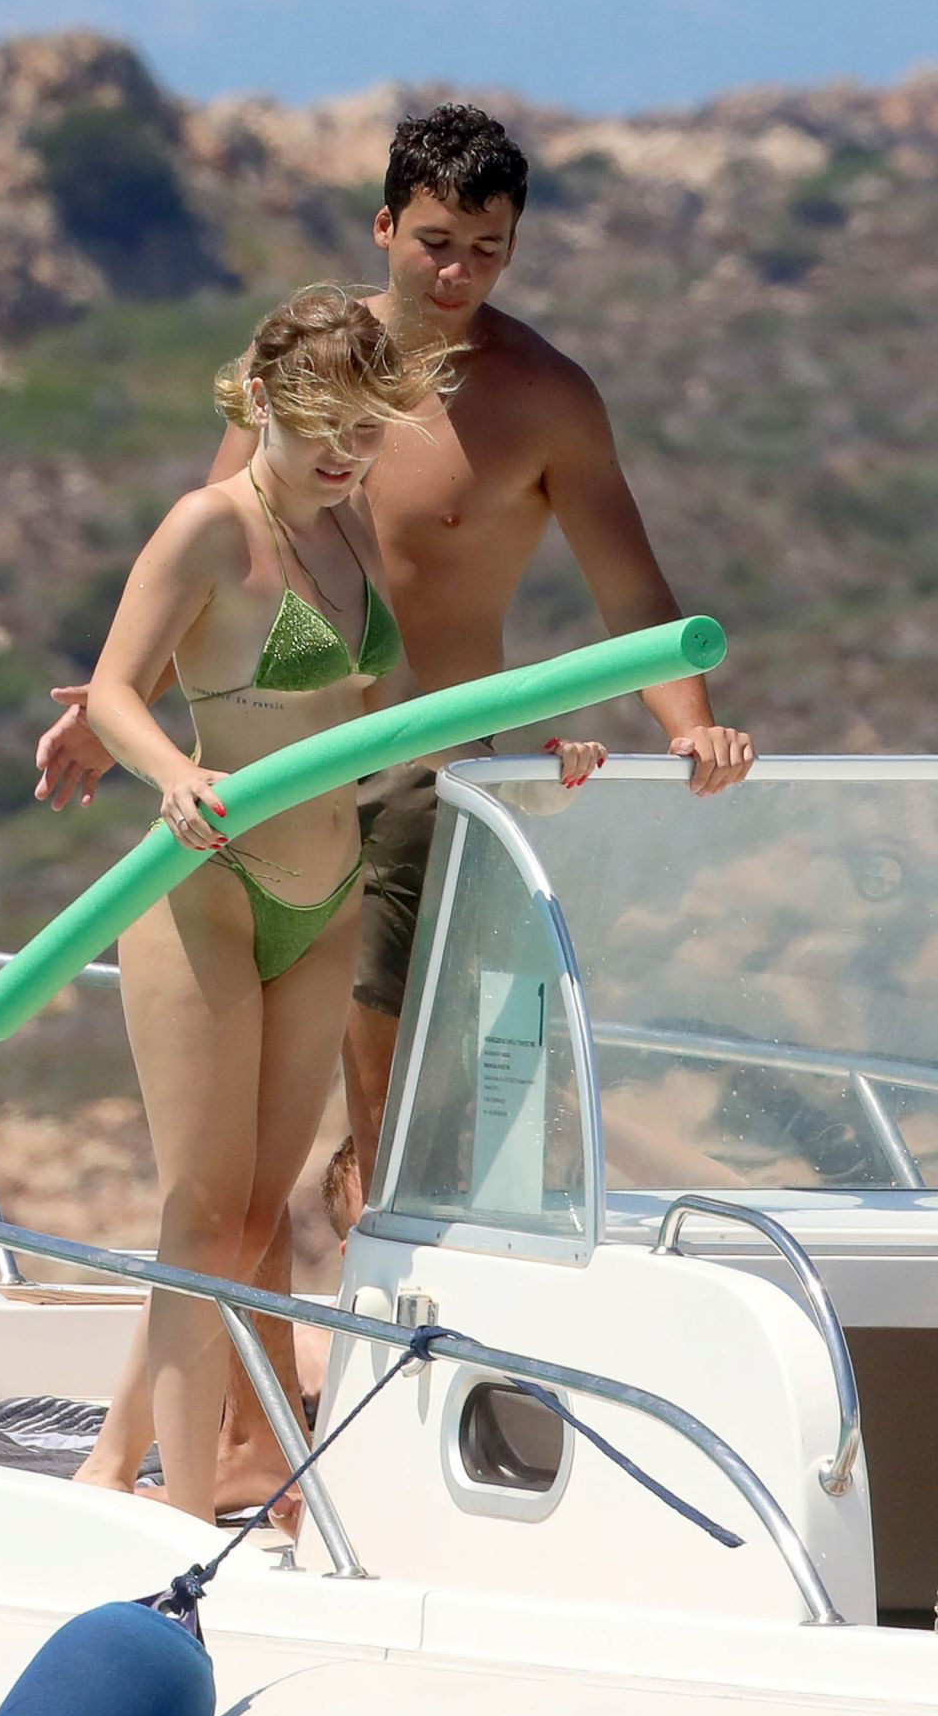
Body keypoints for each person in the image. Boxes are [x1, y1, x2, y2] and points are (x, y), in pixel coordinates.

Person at [37, 103, 754, 1518]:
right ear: (383, 226)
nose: (457, 272)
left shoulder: (545, 396)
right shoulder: (309, 381)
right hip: (285, 790)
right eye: (434, 241)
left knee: (384, 1144)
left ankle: (307, 1446)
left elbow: (633, 594)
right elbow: (213, 567)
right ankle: (251, 1446)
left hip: (440, 786)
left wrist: (690, 729)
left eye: (487, 248)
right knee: (247, 1177)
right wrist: (110, 712)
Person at [69, 287, 594, 1522]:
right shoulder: (207, 525)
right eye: (325, 428)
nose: (348, 455)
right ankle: (180, 1509)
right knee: (204, 1214)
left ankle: (117, 1464)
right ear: (262, 401)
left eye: (367, 431)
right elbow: (111, 694)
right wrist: (174, 773)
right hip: (208, 887)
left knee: (256, 1212)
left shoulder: (348, 534)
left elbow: (376, 728)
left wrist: (534, 758)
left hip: (326, 894)